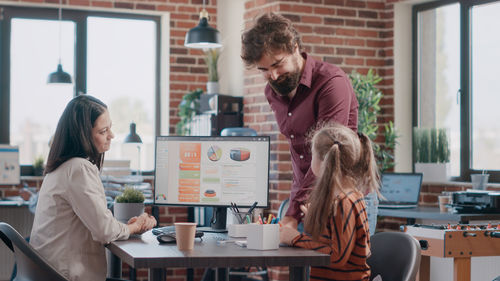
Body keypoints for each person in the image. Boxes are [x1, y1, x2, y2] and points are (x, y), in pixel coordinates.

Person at [241, 13, 359, 229]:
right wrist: (295, 205)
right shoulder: (272, 92)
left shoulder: (331, 83)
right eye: (264, 70)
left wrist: (293, 212)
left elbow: (327, 156)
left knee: (335, 263)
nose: (273, 76)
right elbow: (299, 155)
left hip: (340, 197)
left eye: (277, 64)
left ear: (295, 47)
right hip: (305, 198)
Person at [29, 95, 156, 281]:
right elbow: (104, 231)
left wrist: (124, 227)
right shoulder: (78, 168)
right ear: (82, 136)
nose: (111, 135)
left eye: (110, 127)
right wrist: (135, 227)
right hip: (65, 276)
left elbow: (100, 224)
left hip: (49, 273)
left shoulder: (61, 168)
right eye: (103, 131)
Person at [279, 123, 379, 281]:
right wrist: (318, 218)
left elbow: (337, 257)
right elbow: (333, 241)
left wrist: (296, 238)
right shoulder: (350, 197)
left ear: (323, 162)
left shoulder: (344, 202)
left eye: (312, 156)